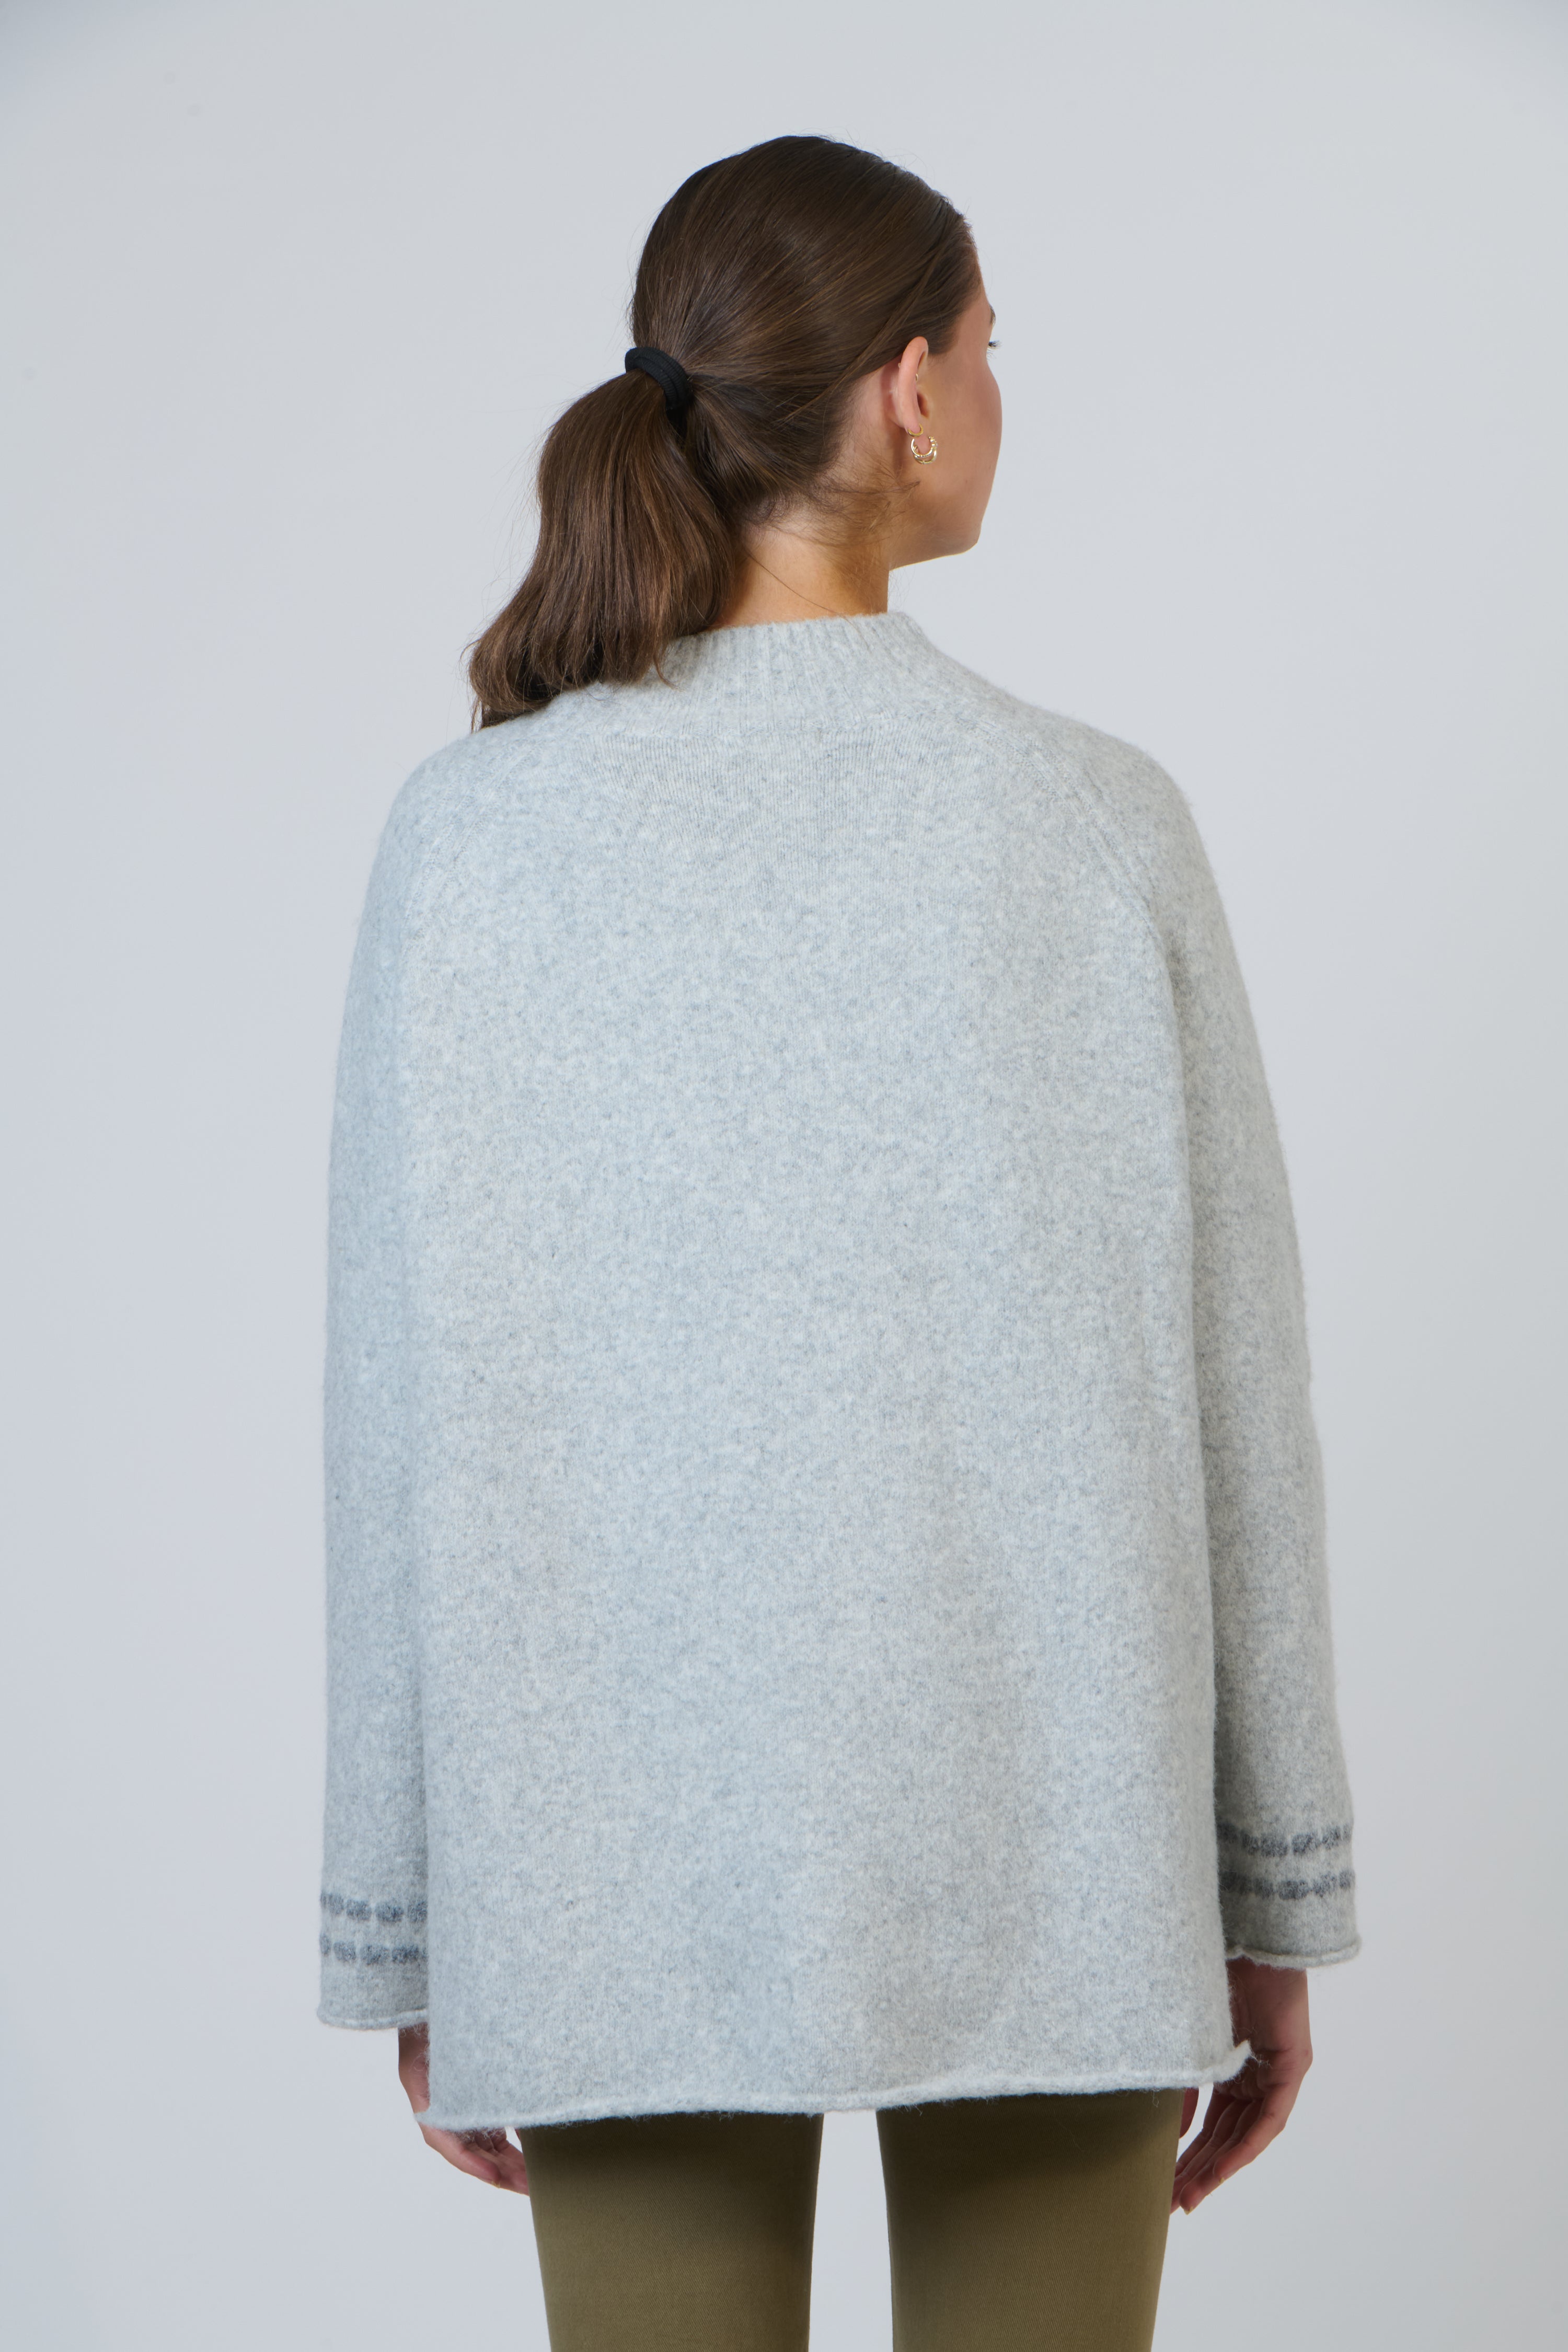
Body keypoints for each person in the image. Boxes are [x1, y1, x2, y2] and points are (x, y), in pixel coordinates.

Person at [317, 134, 1360, 2351]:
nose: (994, 394)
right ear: (908, 391)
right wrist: (1269, 1883)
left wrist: (411, 1922)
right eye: (989, 348)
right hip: (1068, 1848)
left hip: (602, 1876)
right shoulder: (1097, 822)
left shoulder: (472, 840)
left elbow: (397, 1411)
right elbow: (1239, 1393)